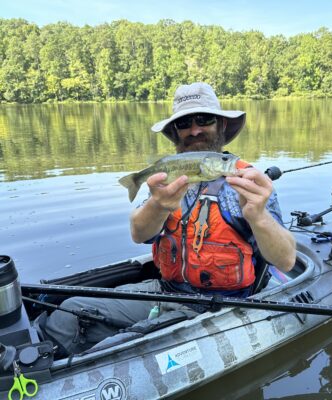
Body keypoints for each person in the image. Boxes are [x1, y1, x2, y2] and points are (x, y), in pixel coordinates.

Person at [42, 82, 296, 356]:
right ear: (175, 132)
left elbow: (285, 261)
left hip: (221, 304)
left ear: (222, 124)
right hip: (166, 290)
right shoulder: (167, 177)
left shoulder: (247, 181)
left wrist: (258, 216)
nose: (195, 130)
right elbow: (139, 234)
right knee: (67, 313)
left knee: (119, 347)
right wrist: (158, 204)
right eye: (184, 123)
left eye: (204, 119)